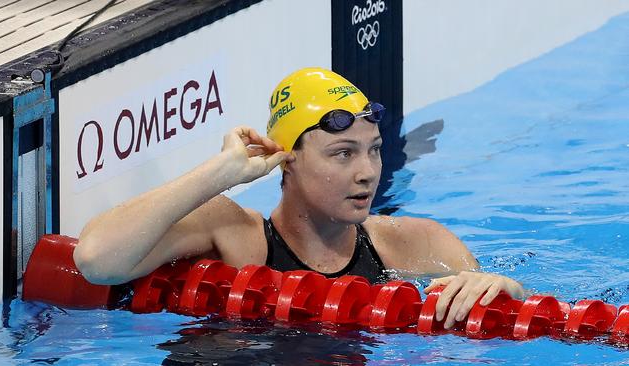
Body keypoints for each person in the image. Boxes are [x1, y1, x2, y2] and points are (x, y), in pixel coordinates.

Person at [74, 67, 525, 329]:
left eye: (373, 151)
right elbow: (96, 260)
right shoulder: (234, 234)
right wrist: (218, 174)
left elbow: (516, 321)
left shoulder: (420, 244)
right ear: (288, 160)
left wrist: (507, 290)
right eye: (343, 154)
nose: (367, 172)